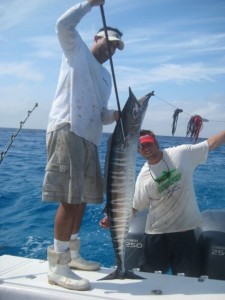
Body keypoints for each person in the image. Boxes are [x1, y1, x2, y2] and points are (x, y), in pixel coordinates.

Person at [42, 0, 124, 291]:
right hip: (68, 128)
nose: (111, 49)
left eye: (115, 47)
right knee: (69, 198)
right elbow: (62, 25)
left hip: (90, 138)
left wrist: (119, 115)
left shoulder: (105, 77)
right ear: (96, 38)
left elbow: (101, 115)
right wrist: (89, 3)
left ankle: (73, 255)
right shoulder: (75, 50)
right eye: (109, 43)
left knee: (83, 199)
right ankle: (58, 266)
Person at [100, 129, 225, 277]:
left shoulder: (181, 154)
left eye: (148, 144)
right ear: (138, 151)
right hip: (156, 233)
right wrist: (112, 217)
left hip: (184, 231)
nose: (146, 149)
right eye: (142, 147)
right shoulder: (143, 177)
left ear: (156, 143)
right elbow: (135, 206)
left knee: (188, 279)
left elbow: (210, 144)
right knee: (148, 277)